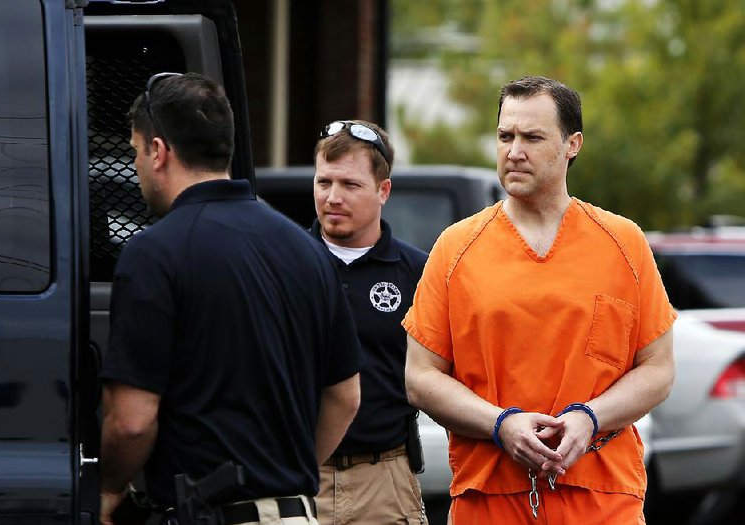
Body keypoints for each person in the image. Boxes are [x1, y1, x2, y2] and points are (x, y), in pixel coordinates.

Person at [403, 76, 676, 524]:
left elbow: (659, 368)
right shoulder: (456, 248)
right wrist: (500, 424)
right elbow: (420, 377)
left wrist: (590, 417)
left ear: (573, 145)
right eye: (505, 136)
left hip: (603, 498)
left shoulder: (623, 243)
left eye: (532, 137)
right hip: (489, 498)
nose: (514, 151)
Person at [99, 72, 362, 525]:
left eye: (135, 151)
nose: (138, 166)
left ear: (158, 152)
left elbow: (132, 422)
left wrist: (105, 489)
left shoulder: (154, 253)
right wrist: (284, 473)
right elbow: (346, 396)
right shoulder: (308, 250)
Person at [311, 120, 428, 525]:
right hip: (300, 479)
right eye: (324, 182)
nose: (333, 197)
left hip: (385, 478)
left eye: (350, 184)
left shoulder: (417, 272)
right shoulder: (284, 263)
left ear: (383, 190)